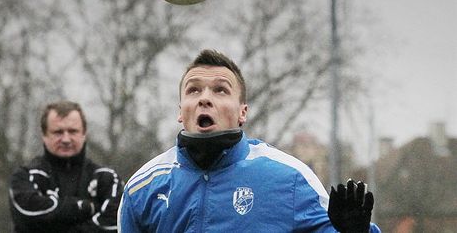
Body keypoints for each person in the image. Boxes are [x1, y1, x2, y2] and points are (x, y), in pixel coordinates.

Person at [118, 49, 381, 232]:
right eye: (193, 89)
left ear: (243, 111)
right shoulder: (142, 188)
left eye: (220, 90)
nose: (204, 98)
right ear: (180, 110)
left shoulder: (290, 178)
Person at [9, 100, 123, 232]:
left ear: (84, 134)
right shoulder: (25, 176)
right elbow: (28, 213)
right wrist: (87, 207)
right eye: (58, 132)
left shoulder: (107, 179)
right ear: (44, 135)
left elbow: (116, 222)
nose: (66, 139)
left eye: (73, 131)